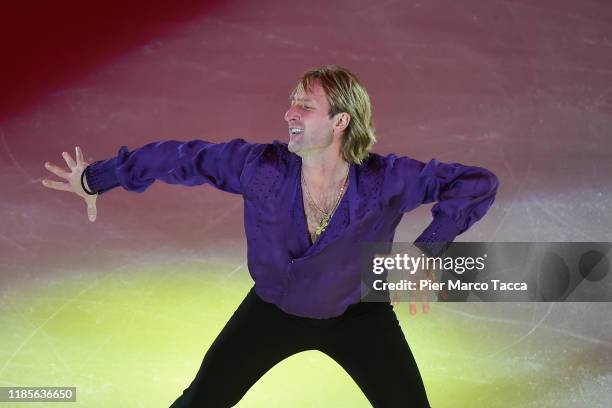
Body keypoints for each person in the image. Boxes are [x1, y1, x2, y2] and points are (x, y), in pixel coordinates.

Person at [42, 65, 499, 407]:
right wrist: (96, 178)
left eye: (305, 105)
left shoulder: (386, 179)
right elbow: (178, 158)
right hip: (270, 313)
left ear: (340, 122)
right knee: (199, 402)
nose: (289, 114)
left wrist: (428, 251)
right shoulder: (260, 167)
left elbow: (476, 183)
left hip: (360, 319)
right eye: (292, 102)